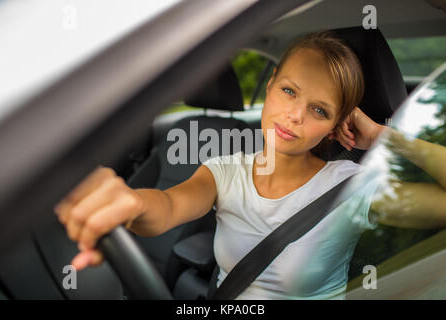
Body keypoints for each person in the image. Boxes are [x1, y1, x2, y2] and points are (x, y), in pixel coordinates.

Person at [54, 31, 446, 299]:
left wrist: (384, 137)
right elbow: (169, 206)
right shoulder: (225, 170)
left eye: (319, 110)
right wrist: (133, 203)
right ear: (271, 84)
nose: (294, 115)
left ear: (333, 128)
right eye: (289, 91)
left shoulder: (351, 187)